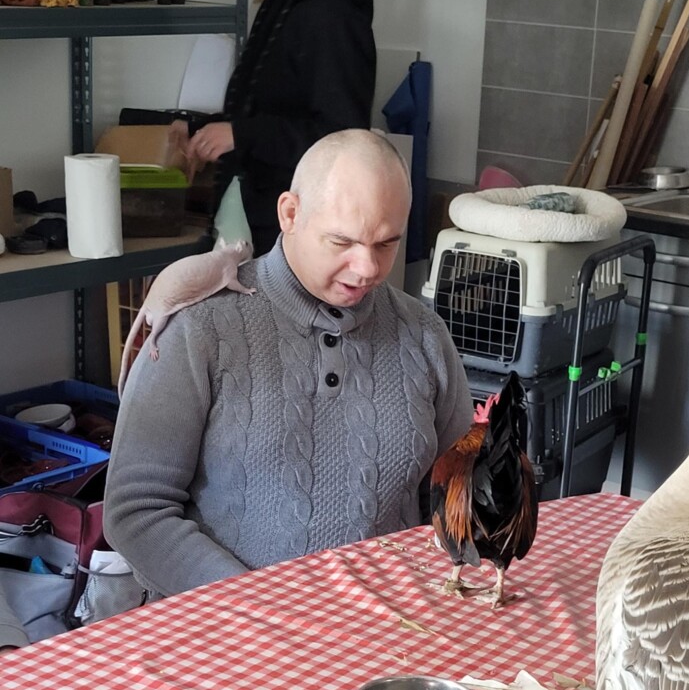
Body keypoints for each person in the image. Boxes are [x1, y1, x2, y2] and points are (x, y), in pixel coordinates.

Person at [103, 130, 474, 600]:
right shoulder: (201, 329)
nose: (367, 268)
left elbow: (454, 492)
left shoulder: (424, 335)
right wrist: (255, 607)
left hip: (389, 625)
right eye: (342, 241)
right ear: (290, 214)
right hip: (233, 628)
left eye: (386, 244)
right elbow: (136, 511)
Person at [173, 0, 376, 256]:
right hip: (263, 217)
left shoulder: (332, 10)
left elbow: (341, 137)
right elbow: (269, 104)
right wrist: (202, 129)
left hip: (296, 230)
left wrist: (240, 135)